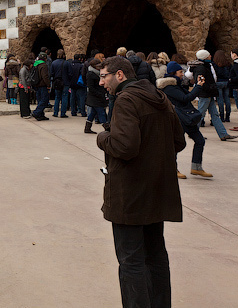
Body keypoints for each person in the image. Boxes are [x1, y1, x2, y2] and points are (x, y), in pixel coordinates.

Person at [97, 56, 185, 308]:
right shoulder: (159, 97)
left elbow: (124, 146)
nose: (102, 82)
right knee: (156, 255)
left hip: (131, 194)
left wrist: (103, 137)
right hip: (157, 190)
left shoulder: (126, 100)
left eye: (104, 76)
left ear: (120, 75)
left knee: (131, 260)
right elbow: (178, 141)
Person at [158, 61, 213, 178]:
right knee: (176, 144)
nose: (182, 74)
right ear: (173, 73)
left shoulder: (176, 85)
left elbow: (186, 95)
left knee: (200, 141)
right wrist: (198, 87)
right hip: (179, 118)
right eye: (180, 72)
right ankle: (173, 169)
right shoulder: (169, 87)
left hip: (187, 117)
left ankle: (196, 167)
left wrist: (196, 84)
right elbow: (185, 98)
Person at [190, 50, 235, 141]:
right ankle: (193, 133)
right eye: (208, 55)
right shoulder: (201, 68)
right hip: (205, 94)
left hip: (208, 94)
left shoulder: (204, 66)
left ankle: (223, 134)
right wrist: (210, 88)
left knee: (214, 115)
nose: (210, 56)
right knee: (200, 114)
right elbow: (201, 82)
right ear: (205, 57)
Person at [84, 58, 107, 134]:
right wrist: (99, 94)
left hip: (97, 96)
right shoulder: (90, 74)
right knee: (101, 112)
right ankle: (107, 128)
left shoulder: (97, 73)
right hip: (95, 96)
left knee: (93, 113)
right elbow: (91, 87)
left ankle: (87, 128)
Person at [31, 52, 51, 121]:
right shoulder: (43, 65)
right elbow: (45, 76)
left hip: (36, 84)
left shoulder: (35, 64)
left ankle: (41, 115)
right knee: (45, 100)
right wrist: (48, 84)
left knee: (40, 100)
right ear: (45, 58)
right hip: (43, 85)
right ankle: (36, 112)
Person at [50, 49, 68, 118]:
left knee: (57, 97)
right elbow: (70, 73)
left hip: (57, 82)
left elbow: (51, 73)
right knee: (64, 97)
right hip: (65, 82)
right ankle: (63, 113)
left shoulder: (54, 63)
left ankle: (55, 112)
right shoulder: (66, 63)